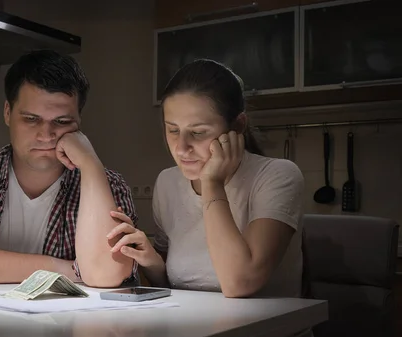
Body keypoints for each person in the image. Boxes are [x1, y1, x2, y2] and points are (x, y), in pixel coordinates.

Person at [0, 50, 138, 288]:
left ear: (78, 122)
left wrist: (91, 164)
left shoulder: (109, 185)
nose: (46, 135)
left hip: (69, 323)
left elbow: (107, 273)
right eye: (31, 119)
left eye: (61, 122)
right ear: (7, 113)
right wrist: (61, 269)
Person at [107, 59, 305, 299]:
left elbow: (239, 283)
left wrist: (212, 182)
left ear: (238, 126)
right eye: (172, 130)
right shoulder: (168, 182)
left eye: (198, 132)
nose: (181, 148)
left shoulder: (277, 176)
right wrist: (153, 262)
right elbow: (179, 286)